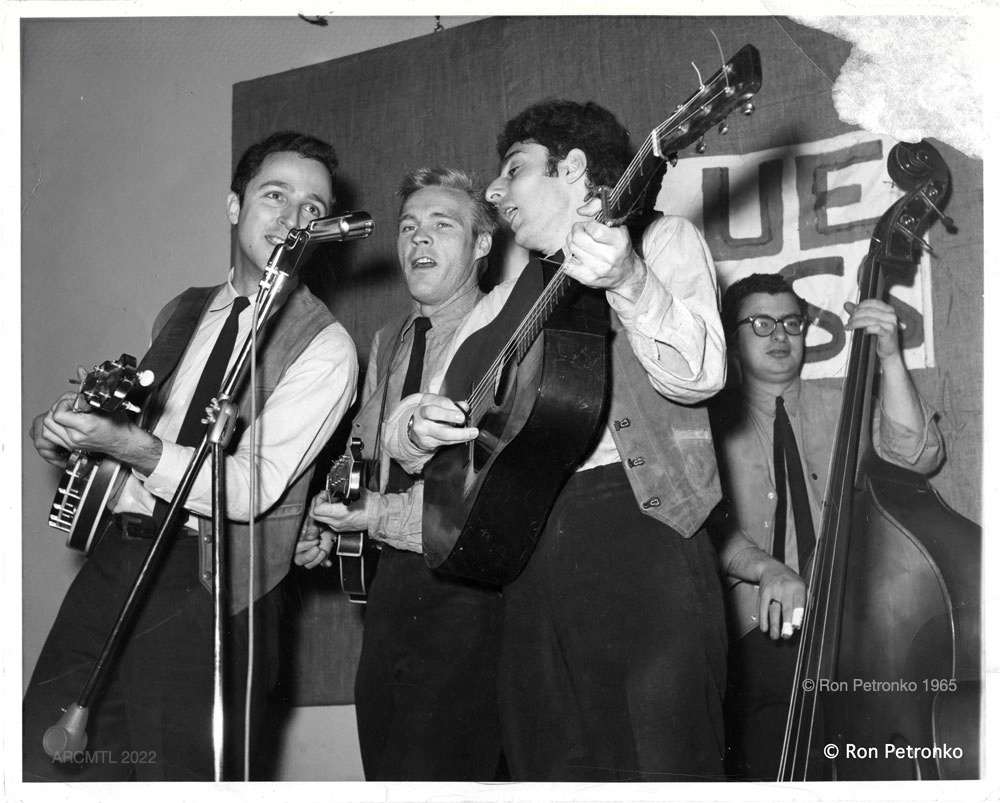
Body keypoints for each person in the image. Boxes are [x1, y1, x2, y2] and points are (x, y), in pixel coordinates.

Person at [381, 100, 729, 781]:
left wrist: (628, 280)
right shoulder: (503, 301)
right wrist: (414, 427)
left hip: (637, 527)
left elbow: (702, 376)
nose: (493, 191)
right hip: (526, 550)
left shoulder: (661, 240)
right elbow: (411, 421)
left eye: (513, 170)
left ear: (571, 169)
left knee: (660, 763)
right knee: (550, 762)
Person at [25, 131, 358, 781]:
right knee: (44, 762)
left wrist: (131, 447)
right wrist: (66, 435)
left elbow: (250, 489)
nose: (294, 219)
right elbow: (132, 434)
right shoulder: (180, 312)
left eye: (312, 209)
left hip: (208, 583)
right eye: (275, 195)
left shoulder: (327, 346)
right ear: (234, 207)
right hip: (116, 555)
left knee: (174, 775)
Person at [295, 167, 504, 780]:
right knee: (385, 767)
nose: (419, 241)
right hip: (392, 584)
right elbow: (360, 450)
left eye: (442, 226)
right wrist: (332, 521)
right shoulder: (389, 340)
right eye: (409, 227)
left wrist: (376, 515)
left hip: (466, 586)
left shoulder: (501, 332)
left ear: (482, 245)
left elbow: (485, 485)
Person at [708, 272, 943, 780]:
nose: (780, 336)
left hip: (855, 628)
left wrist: (888, 359)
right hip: (756, 636)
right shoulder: (705, 423)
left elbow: (917, 457)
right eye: (762, 323)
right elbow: (705, 529)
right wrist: (768, 569)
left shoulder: (846, 400)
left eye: (792, 323)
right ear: (730, 337)